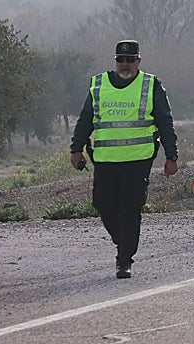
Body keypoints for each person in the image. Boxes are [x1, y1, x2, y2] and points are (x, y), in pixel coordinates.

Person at [70, 40, 178, 279]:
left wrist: (172, 156)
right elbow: (85, 120)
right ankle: (123, 241)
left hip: (138, 160)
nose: (125, 64)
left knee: (130, 209)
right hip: (106, 160)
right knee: (102, 204)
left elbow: (165, 122)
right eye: (121, 60)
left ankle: (124, 260)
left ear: (138, 61)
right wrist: (76, 149)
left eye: (130, 60)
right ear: (115, 61)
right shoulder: (98, 85)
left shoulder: (151, 85)